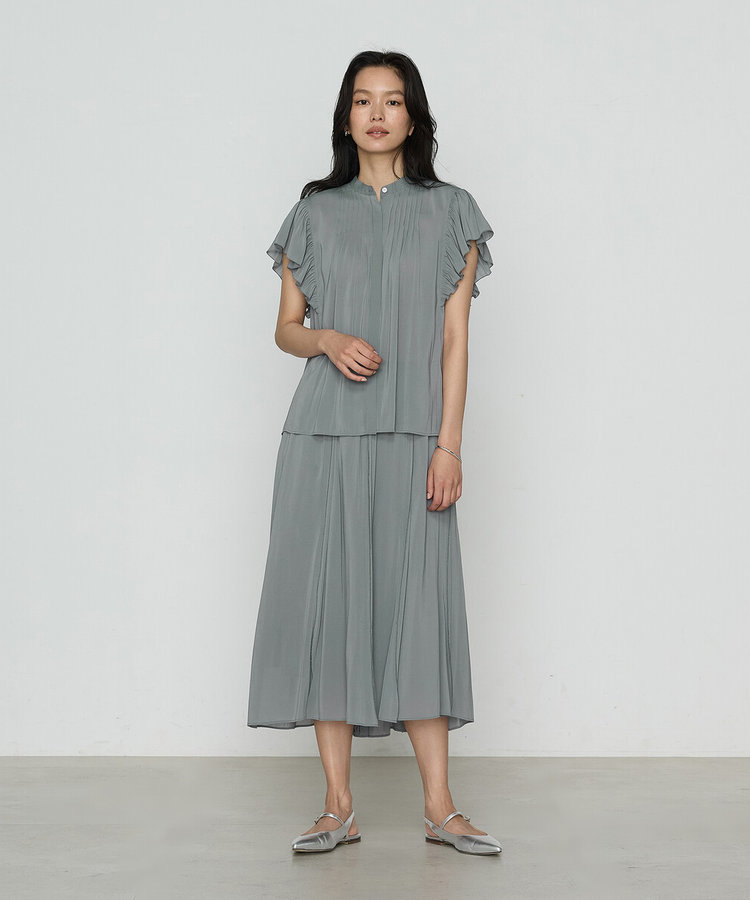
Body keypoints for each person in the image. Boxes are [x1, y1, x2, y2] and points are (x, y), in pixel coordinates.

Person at [247, 49, 502, 856]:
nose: (378, 113)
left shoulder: (453, 211)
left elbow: (455, 341)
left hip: (415, 436)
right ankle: (336, 806)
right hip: (324, 436)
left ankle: (441, 808)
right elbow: (286, 329)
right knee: (332, 607)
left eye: (393, 100)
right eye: (363, 100)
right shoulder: (314, 212)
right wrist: (326, 339)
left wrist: (449, 445)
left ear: (413, 115)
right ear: (346, 116)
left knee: (419, 609)